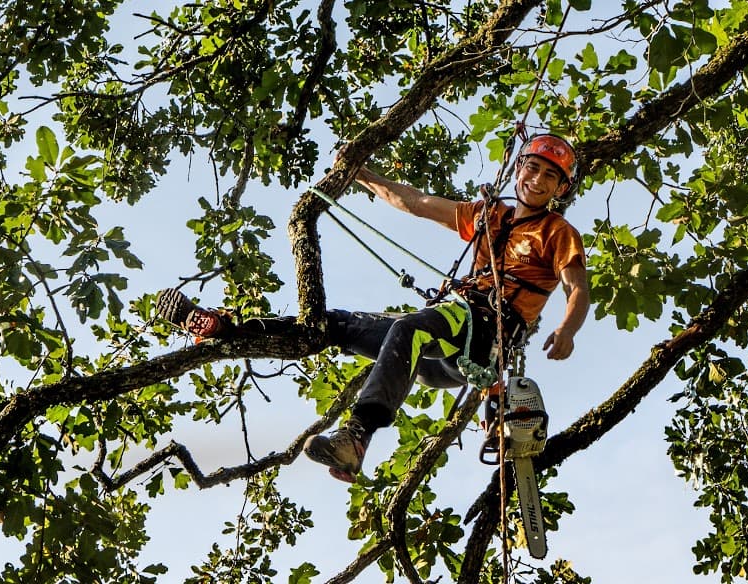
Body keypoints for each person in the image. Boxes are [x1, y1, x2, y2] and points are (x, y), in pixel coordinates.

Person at [155, 134, 590, 483]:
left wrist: (567, 329)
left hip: (482, 333)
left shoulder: (557, 231)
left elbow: (577, 289)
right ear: (519, 169)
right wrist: (361, 175)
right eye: (532, 167)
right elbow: (416, 202)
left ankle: (356, 437)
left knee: (407, 329)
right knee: (335, 325)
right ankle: (232, 330)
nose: (538, 179)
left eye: (550, 176)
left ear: (559, 189)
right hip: (436, 349)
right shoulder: (487, 214)